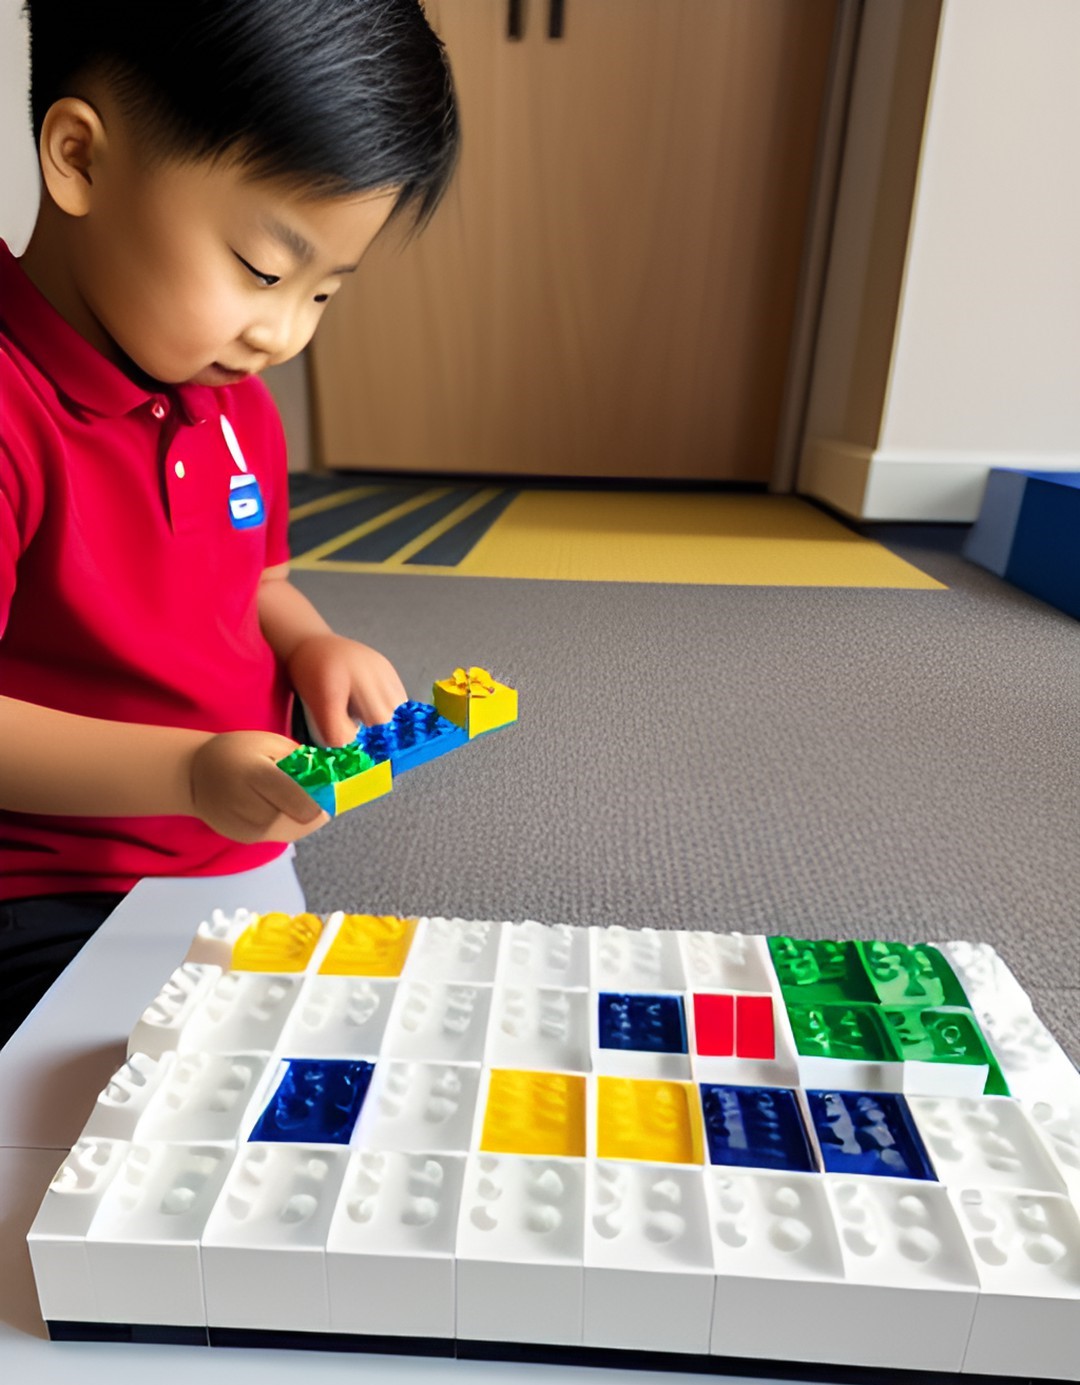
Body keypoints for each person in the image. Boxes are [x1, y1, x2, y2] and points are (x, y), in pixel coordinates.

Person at [0, 0, 460, 1044]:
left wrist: (311, 641)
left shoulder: (232, 397)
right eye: (262, 271)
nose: (283, 331)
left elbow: (254, 582)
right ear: (77, 158)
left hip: (234, 846)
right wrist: (184, 770)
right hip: (51, 885)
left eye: (325, 293)